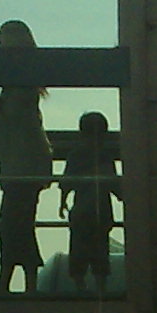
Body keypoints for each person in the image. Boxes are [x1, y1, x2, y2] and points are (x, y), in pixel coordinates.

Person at [0, 19, 53, 294]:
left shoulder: (20, 86)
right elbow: (2, 117)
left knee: (10, 223)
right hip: (25, 162)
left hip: (22, 163)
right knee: (18, 222)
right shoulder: (24, 84)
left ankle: (9, 281)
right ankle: (24, 281)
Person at [59, 111, 118, 294]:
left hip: (81, 212)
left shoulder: (76, 155)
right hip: (101, 210)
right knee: (100, 252)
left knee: (79, 251)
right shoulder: (105, 155)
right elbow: (114, 182)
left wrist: (62, 202)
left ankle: (80, 287)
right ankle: (101, 288)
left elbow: (66, 182)